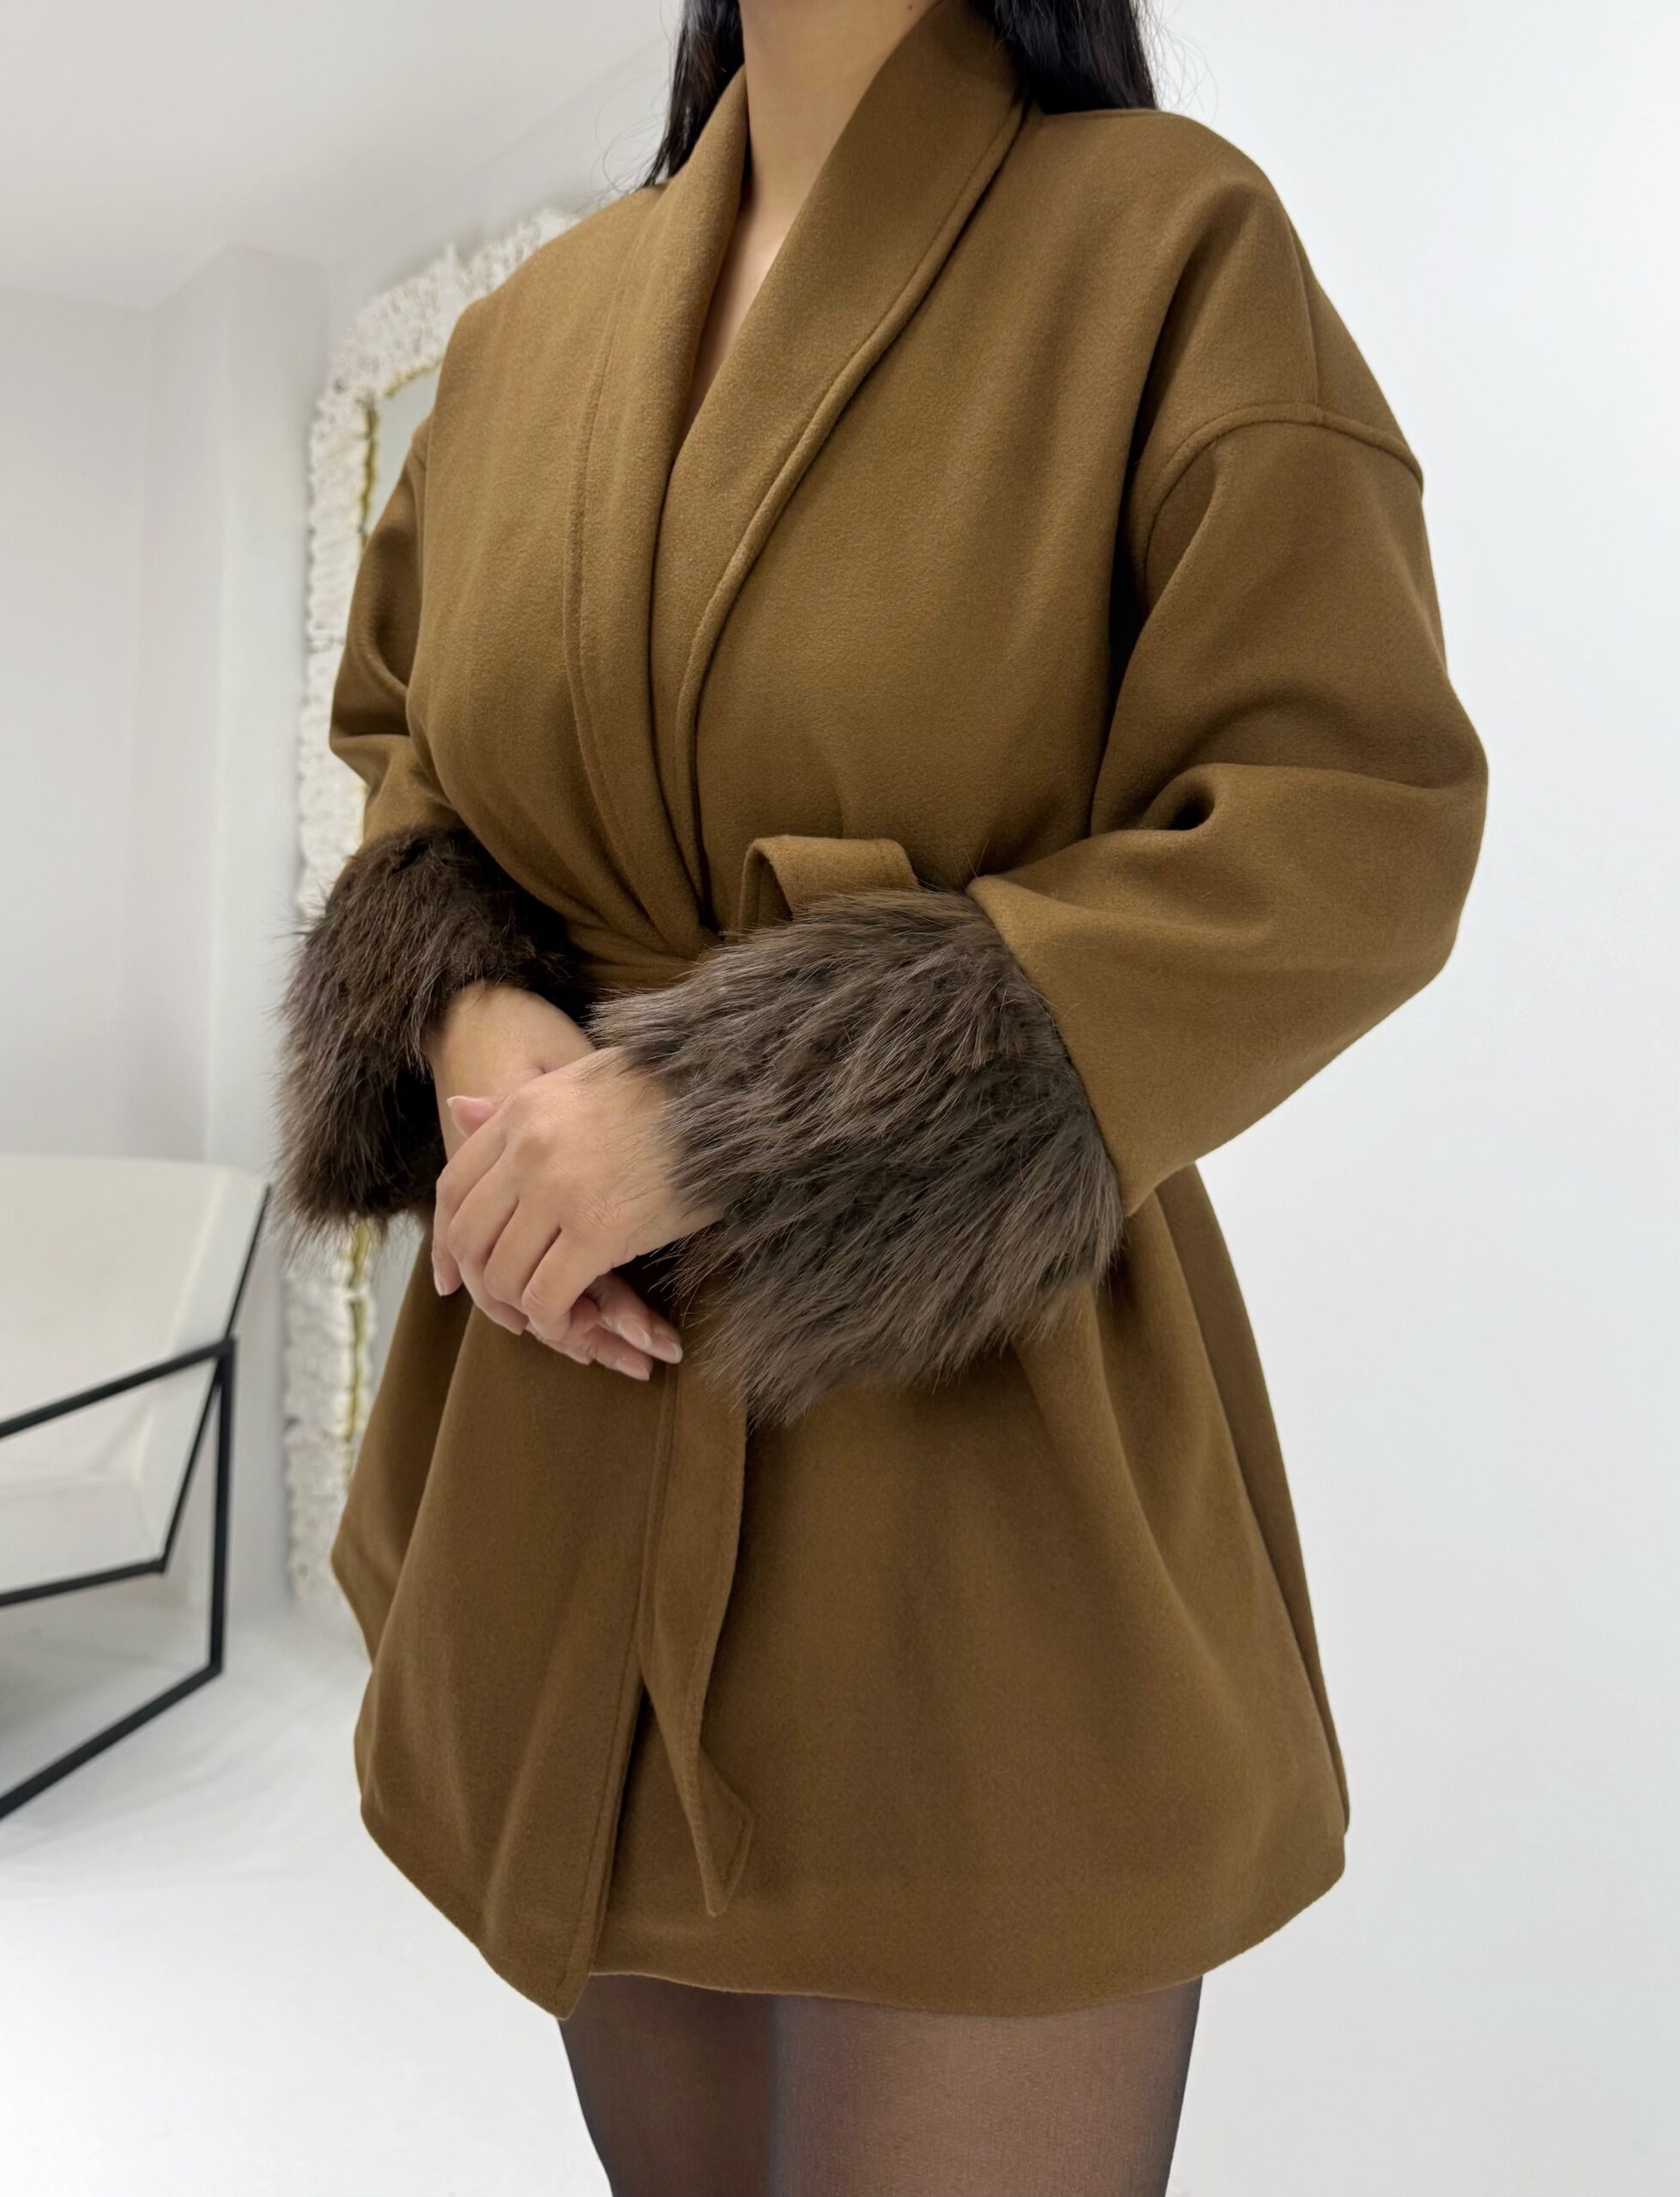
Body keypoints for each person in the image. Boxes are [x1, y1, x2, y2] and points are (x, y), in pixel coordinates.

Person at [274, 1, 1488, 2188]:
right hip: (562, 1468)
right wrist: (463, 1011)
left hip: (971, 1499)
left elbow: (1348, 813)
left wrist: (732, 1111)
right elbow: (406, 745)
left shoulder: (1164, 241)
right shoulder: (532, 331)